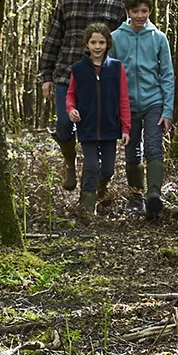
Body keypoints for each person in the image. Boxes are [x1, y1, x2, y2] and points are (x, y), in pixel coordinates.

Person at [37, 0, 128, 194]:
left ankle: (99, 183)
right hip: (67, 74)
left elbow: (125, 42)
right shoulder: (67, 0)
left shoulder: (118, 3)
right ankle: (69, 161)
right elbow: (53, 38)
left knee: (100, 131)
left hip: (103, 79)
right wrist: (46, 76)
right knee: (64, 125)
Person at [109, 0, 175, 222]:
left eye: (144, 11)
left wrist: (168, 110)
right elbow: (110, 73)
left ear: (150, 12)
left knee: (154, 147)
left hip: (154, 101)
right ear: (128, 12)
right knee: (131, 149)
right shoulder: (116, 37)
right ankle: (135, 196)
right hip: (127, 104)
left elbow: (167, 75)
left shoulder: (158, 38)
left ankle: (154, 194)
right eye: (135, 11)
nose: (140, 15)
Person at [63, 25, 132, 220]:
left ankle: (101, 192)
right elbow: (71, 94)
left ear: (107, 43)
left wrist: (126, 127)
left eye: (101, 42)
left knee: (108, 169)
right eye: (93, 42)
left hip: (111, 127)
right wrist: (71, 110)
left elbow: (123, 100)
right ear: (87, 44)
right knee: (91, 166)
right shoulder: (78, 69)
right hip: (87, 127)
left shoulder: (116, 68)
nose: (97, 46)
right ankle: (87, 208)